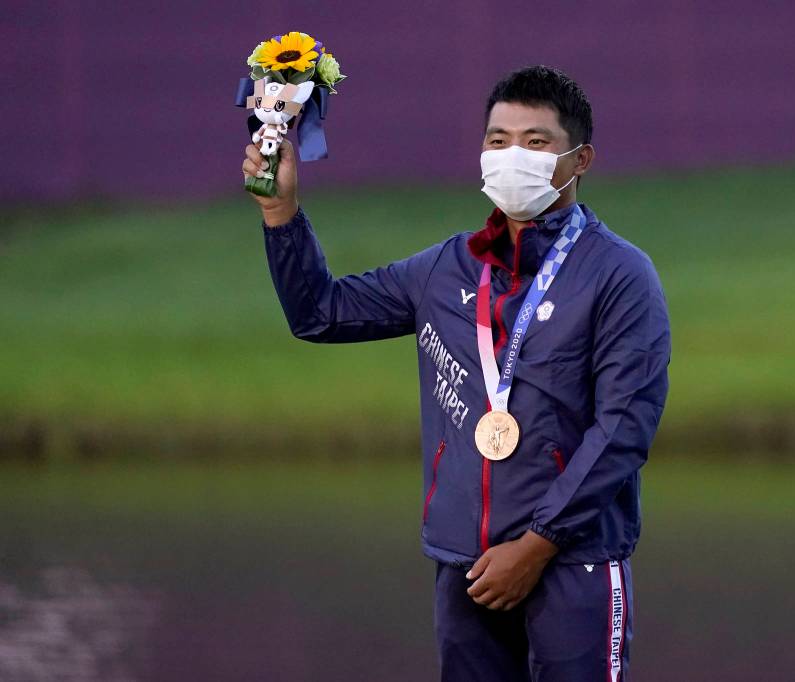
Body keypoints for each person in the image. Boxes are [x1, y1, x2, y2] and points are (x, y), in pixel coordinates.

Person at [242, 64, 670, 682]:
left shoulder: (619, 275)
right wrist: (281, 212)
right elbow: (320, 313)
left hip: (573, 562)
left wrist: (537, 545)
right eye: (497, 141)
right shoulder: (447, 268)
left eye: (536, 141)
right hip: (466, 566)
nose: (512, 155)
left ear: (580, 161)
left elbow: (624, 429)